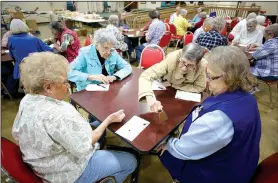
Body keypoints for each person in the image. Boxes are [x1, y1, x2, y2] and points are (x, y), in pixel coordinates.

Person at [13, 52, 137, 183]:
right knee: (130, 161)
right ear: (48, 87)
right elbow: (84, 146)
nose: (68, 85)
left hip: (42, 163)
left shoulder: (27, 99)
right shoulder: (58, 114)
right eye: (65, 82)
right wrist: (107, 121)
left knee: (95, 126)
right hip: (66, 172)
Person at [158, 46, 261, 183]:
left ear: (229, 77)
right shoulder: (249, 98)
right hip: (240, 164)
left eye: (210, 77)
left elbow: (184, 150)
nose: (206, 81)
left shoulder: (219, 118)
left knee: (161, 150)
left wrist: (168, 144)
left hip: (215, 175)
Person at [138, 43, 206, 112]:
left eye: (190, 65)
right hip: (168, 94)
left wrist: (176, 86)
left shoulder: (202, 65)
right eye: (183, 62)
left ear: (198, 63)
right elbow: (146, 76)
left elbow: (199, 87)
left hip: (184, 100)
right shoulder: (172, 58)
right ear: (181, 56)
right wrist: (150, 98)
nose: (184, 69)